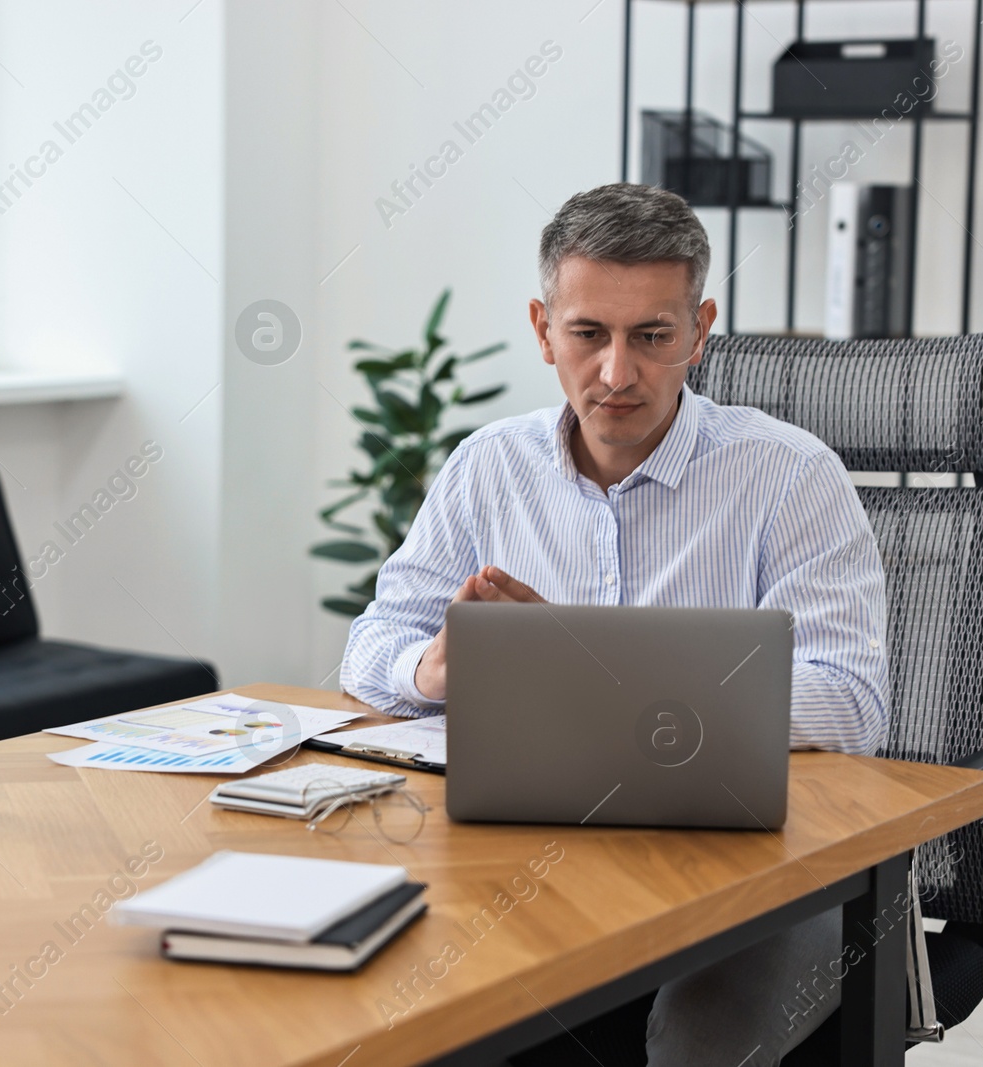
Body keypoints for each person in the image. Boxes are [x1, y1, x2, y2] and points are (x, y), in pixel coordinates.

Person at [339, 182, 888, 1065]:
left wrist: (601, 674)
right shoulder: (488, 467)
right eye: (588, 333)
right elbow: (369, 652)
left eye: (654, 336)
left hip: (752, 857)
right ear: (543, 327)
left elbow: (853, 704)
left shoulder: (790, 477)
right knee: (392, 1003)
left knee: (690, 1048)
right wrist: (434, 670)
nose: (617, 373)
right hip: (527, 849)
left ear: (701, 330)